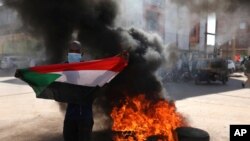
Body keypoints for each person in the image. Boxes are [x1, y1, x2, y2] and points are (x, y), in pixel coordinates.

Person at [63, 40, 94, 141]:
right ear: (67, 53)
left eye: (76, 51)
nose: (74, 54)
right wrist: (25, 74)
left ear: (81, 53)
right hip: (71, 115)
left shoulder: (90, 69)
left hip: (85, 115)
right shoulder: (63, 68)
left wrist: (118, 59)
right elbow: (46, 75)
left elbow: (105, 73)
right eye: (71, 51)